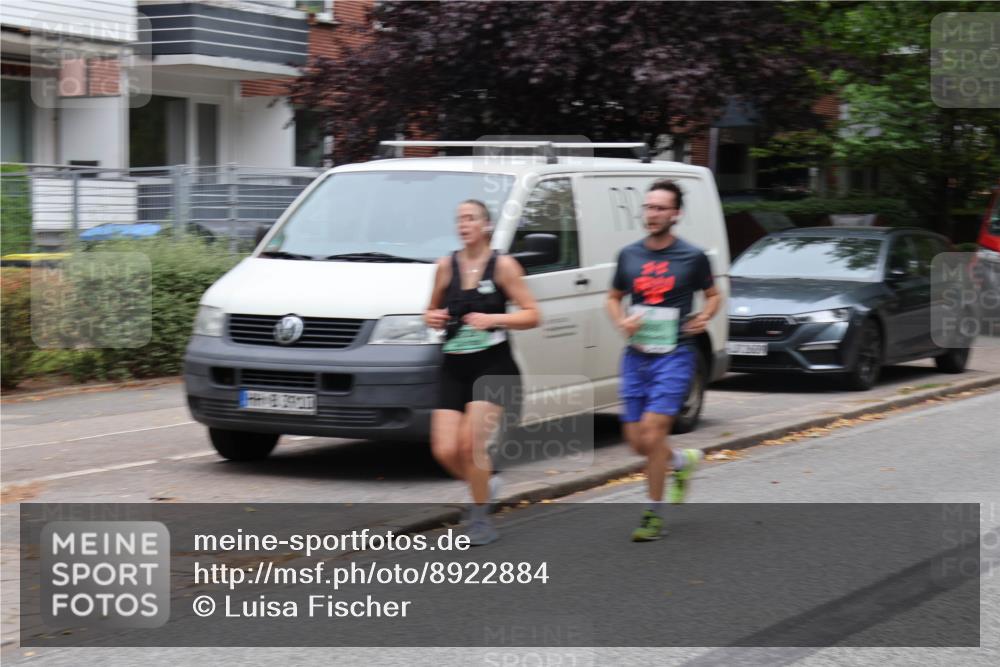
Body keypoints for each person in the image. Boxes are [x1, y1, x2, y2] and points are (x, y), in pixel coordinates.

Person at [606, 179, 721, 542]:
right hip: (637, 355)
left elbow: (713, 294)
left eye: (659, 208)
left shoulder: (693, 256)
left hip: (676, 354)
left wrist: (706, 315)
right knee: (637, 442)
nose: (652, 214)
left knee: (654, 433)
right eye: (648, 207)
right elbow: (613, 297)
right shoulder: (629, 255)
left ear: (676, 214)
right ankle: (679, 462)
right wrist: (620, 320)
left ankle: (653, 514)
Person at [424, 199, 541, 545]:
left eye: (471, 218)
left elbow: (533, 314)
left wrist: (495, 318)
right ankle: (484, 486)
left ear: (486, 225)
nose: (464, 224)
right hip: (454, 364)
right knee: (444, 450)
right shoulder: (446, 266)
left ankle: (479, 519)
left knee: (470, 446)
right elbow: (431, 310)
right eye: (459, 219)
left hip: (493, 365)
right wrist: (430, 317)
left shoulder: (504, 266)